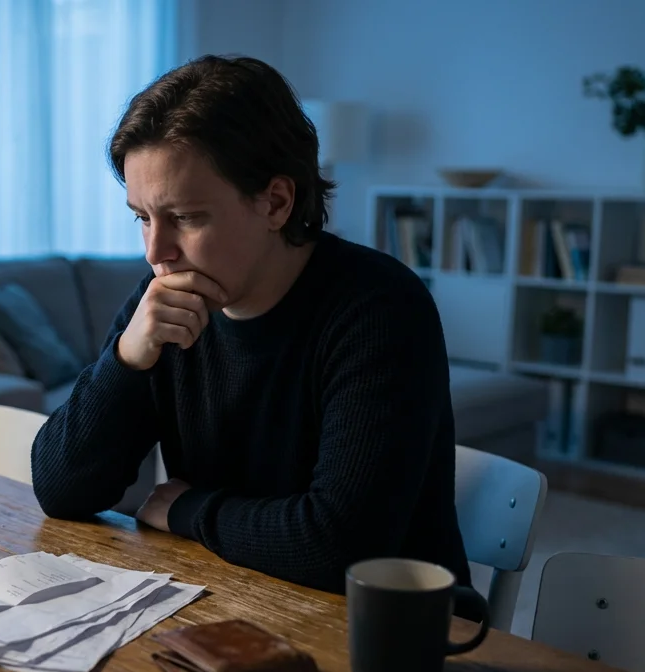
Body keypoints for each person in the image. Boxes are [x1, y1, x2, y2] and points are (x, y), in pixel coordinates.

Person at [29, 54, 472, 596]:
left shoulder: (380, 310)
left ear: (276, 202)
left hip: (389, 642)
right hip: (233, 600)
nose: (155, 251)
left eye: (186, 218)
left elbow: (341, 548)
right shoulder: (162, 306)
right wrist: (125, 360)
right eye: (142, 217)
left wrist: (192, 510)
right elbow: (60, 490)